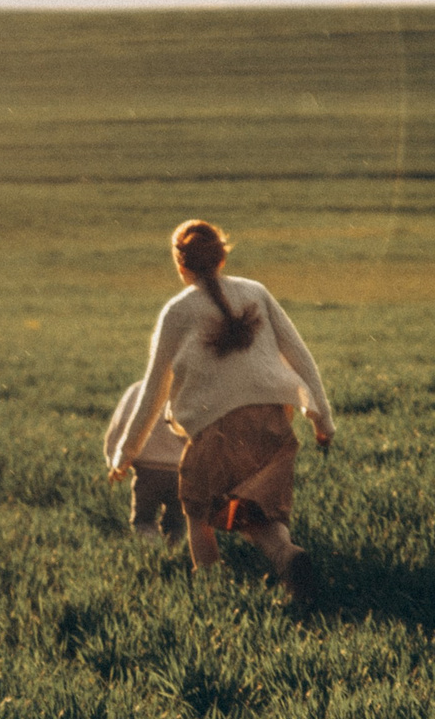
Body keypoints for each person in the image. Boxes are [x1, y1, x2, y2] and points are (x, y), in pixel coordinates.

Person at [110, 220, 335, 603]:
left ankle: (212, 594)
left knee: (199, 513)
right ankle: (287, 557)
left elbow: (153, 390)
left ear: (181, 265)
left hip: (216, 430)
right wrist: (322, 419)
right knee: (259, 513)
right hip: (272, 423)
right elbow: (300, 356)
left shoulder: (177, 310)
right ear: (222, 257)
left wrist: (125, 453)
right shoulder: (255, 291)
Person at [103, 380, 186, 545]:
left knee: (143, 520)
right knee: (177, 522)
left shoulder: (138, 390)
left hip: (147, 472)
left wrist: (114, 460)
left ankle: (150, 548)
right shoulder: (189, 390)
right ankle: (173, 550)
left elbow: (120, 425)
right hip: (181, 473)